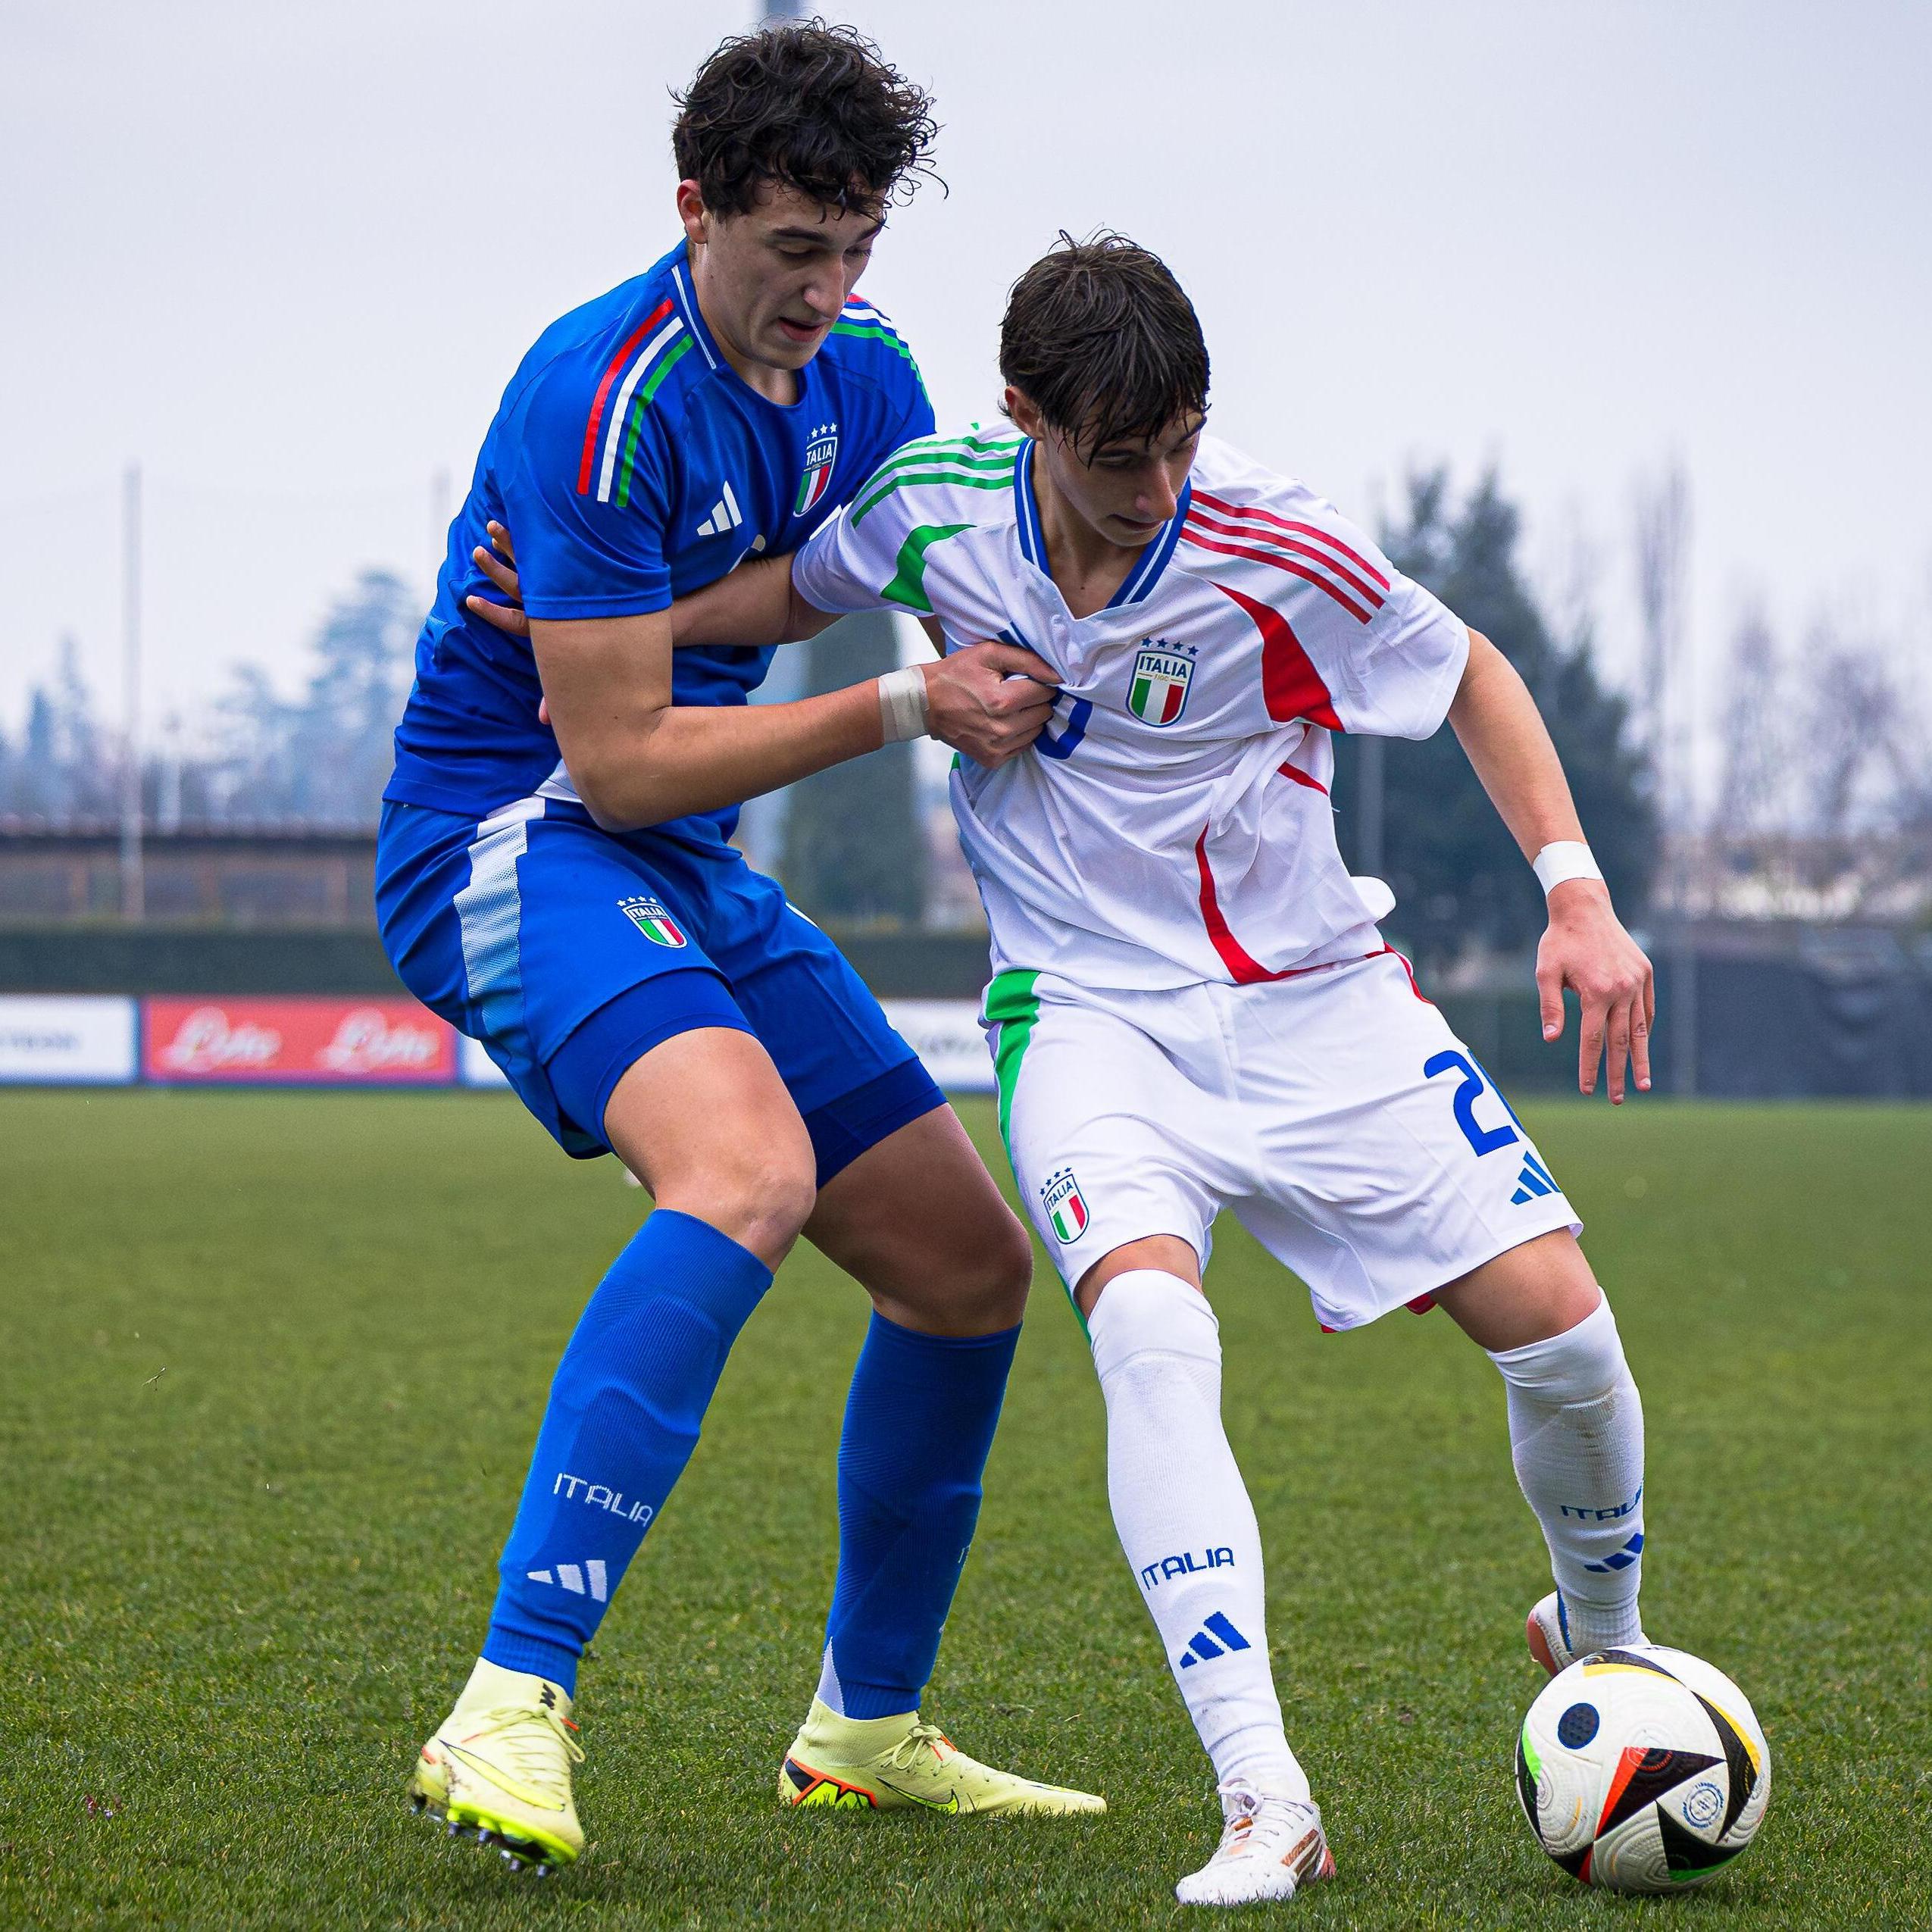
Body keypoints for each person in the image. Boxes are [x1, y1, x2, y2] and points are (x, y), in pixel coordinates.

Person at [479, 230, 1657, 1907]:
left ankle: (1602, 1646)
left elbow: (1466, 673)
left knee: (1569, 1338)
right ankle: (1265, 1798)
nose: (1156, 484)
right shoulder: (936, 501)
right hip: (1088, 1019)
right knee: (1153, 1333)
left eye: (1179, 442)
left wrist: (1576, 897)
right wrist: (614, 632)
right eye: (1120, 459)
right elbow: (794, 595)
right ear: (1028, 414)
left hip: (1320, 1000)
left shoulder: (1270, 539)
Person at [375, 25, 1098, 1876]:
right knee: (748, 1167)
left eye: (856, 251)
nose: (827, 294)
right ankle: (509, 1702)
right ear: (694, 209)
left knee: (962, 1266)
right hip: (519, 834)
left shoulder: (874, 376)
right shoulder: (596, 397)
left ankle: (865, 1730)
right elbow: (608, 753)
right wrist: (897, 710)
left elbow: (858, 579)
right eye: (792, 250)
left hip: (684, 856)